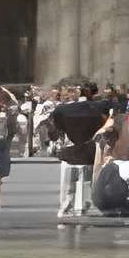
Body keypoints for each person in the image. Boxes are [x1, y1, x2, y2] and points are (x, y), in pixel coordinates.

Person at [49, 82, 109, 220]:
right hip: (88, 149)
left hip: (69, 148)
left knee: (67, 182)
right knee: (86, 181)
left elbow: (55, 131)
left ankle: (65, 207)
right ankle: (82, 207)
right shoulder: (97, 110)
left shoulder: (61, 110)